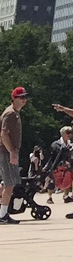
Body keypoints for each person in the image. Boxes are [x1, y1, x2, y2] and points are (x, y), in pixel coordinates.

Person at [0, 87, 28, 225]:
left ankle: (2, 212)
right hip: (6, 151)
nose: (24, 100)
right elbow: (4, 134)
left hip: (8, 151)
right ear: (14, 98)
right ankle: (3, 215)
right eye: (21, 97)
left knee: (7, 182)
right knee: (9, 184)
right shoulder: (10, 114)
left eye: (25, 97)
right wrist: (11, 152)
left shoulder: (15, 113)